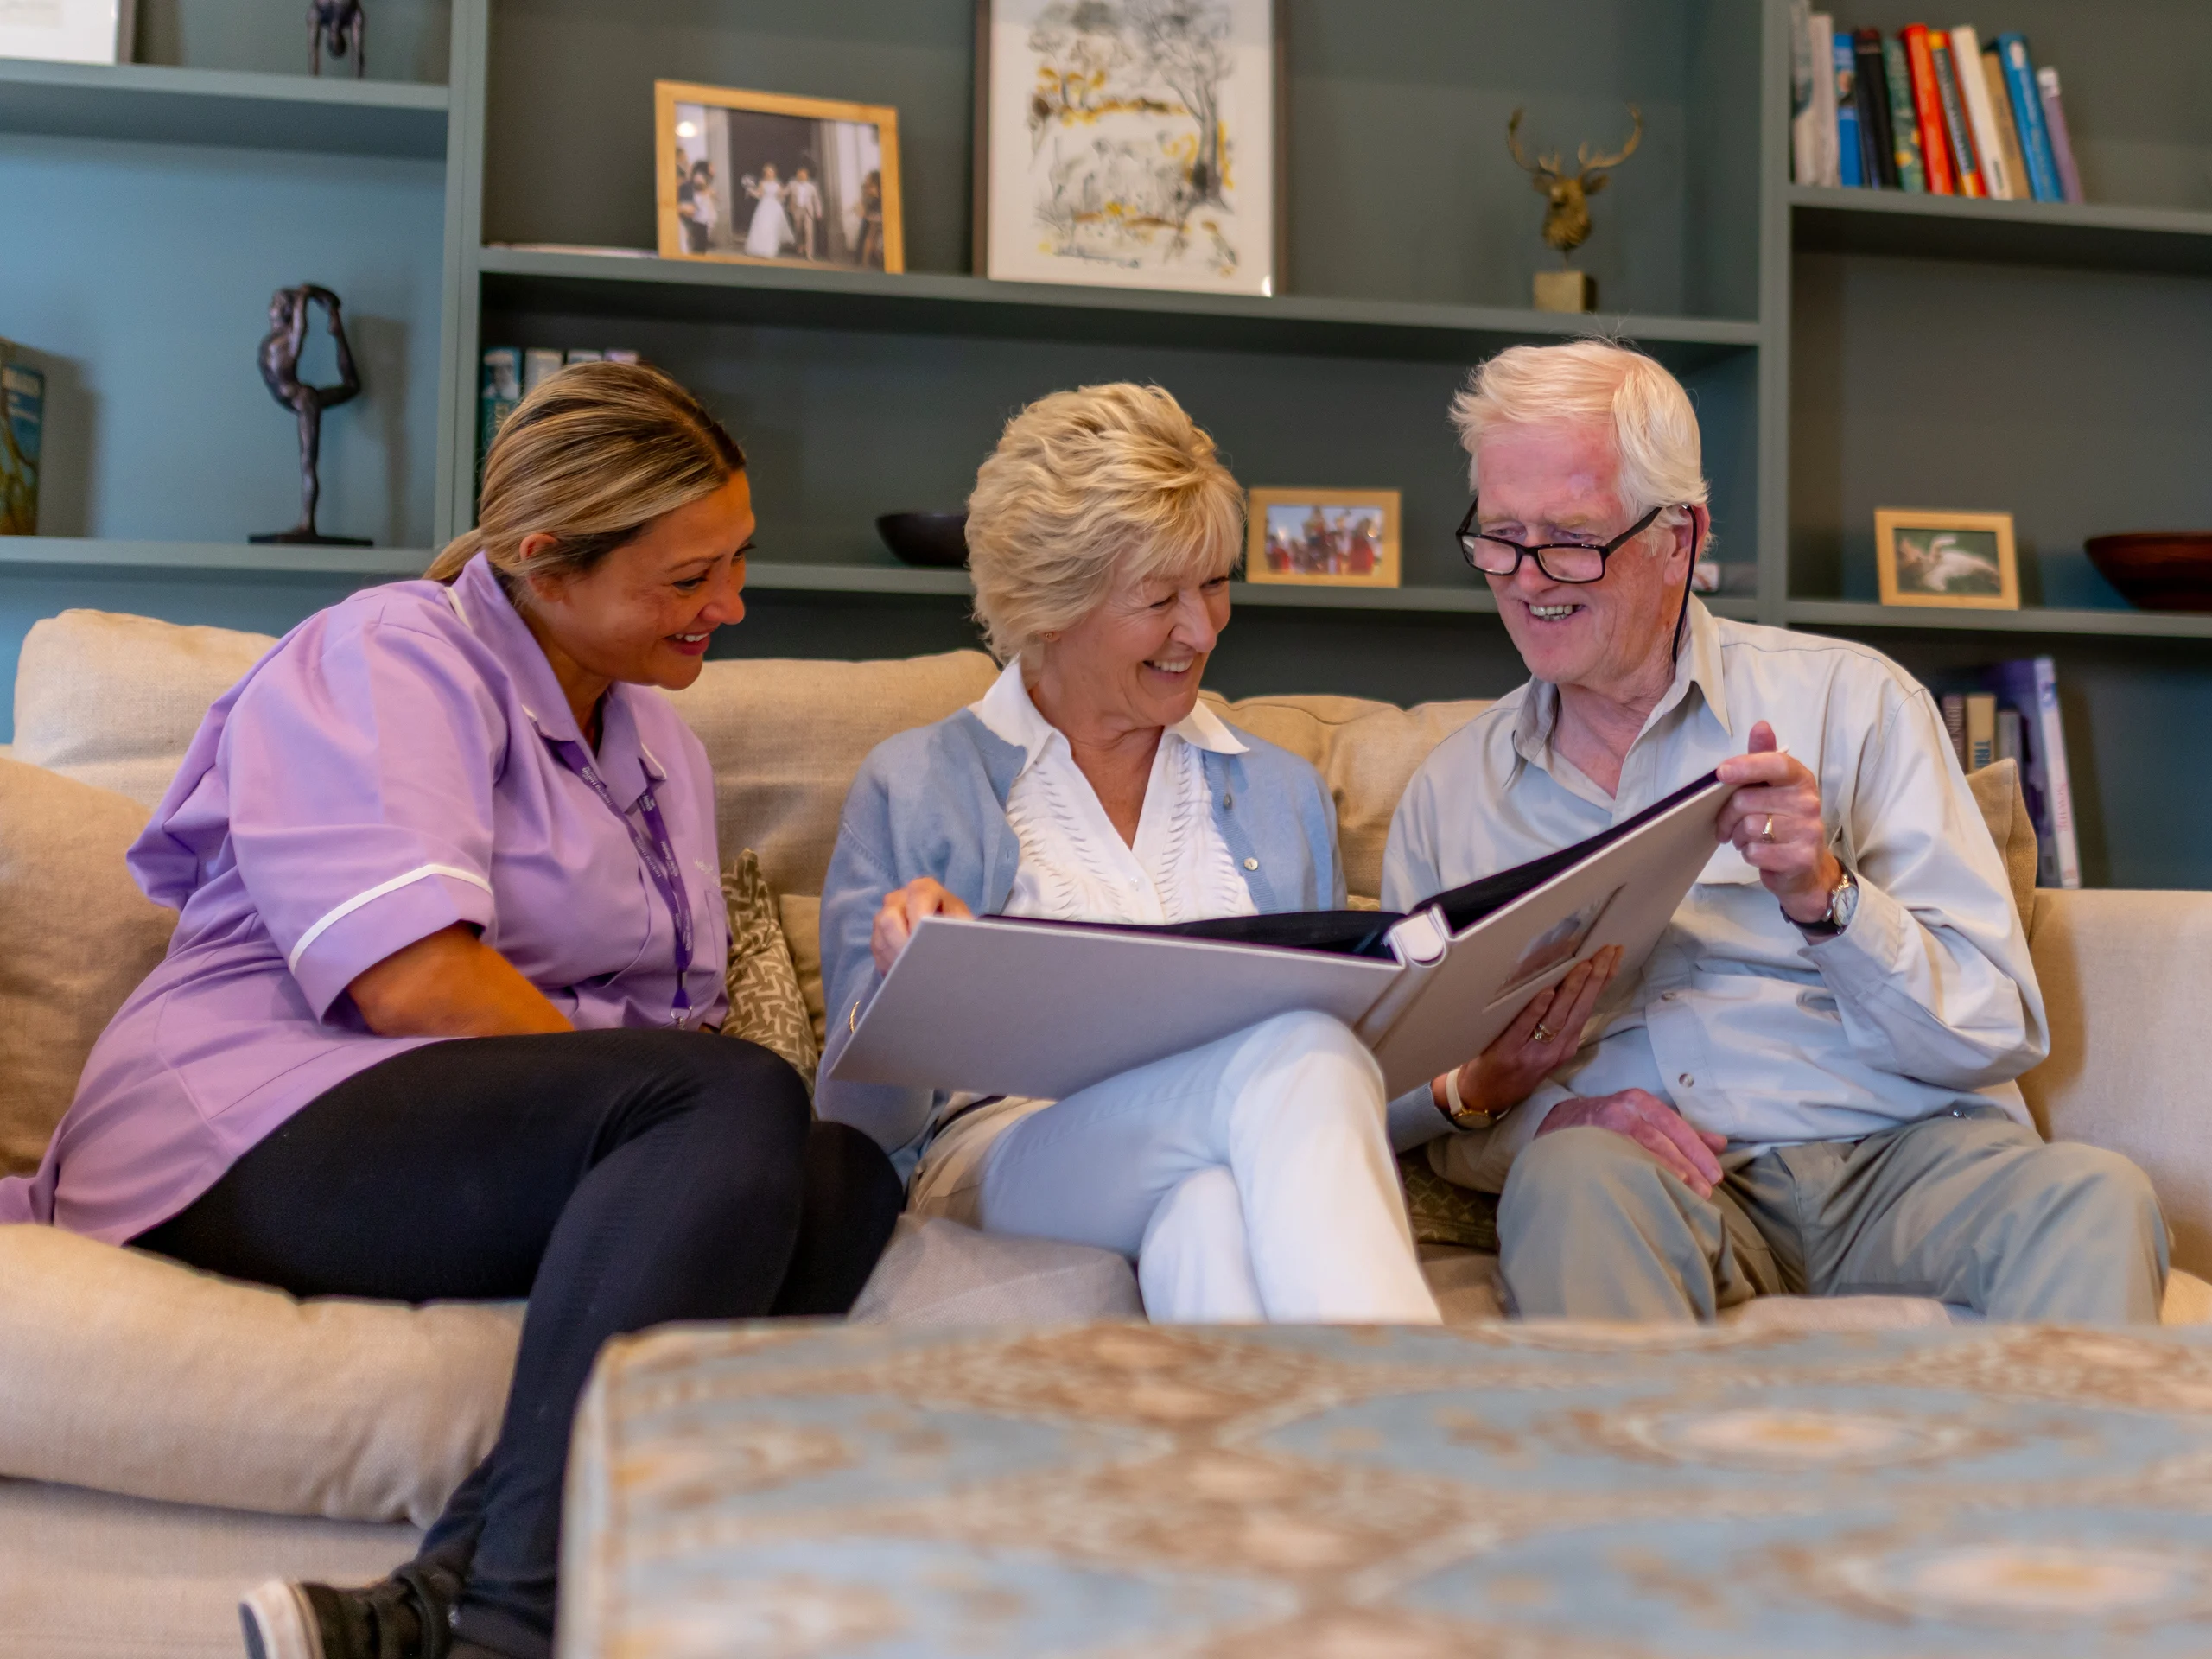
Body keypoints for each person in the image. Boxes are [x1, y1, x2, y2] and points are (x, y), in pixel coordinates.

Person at [0, 361, 904, 1659]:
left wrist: (686, 1122)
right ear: (545, 562)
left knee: (844, 1172)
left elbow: (676, 1033)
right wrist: (670, 1118)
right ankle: (517, 1627)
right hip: (250, 1122)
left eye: (736, 561)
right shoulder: (389, 652)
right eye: (688, 576)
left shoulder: (666, 748)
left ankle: (454, 1590)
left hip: (456, 1142)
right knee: (736, 1102)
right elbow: (411, 978)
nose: (732, 605)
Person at [1383, 340, 2167, 1324]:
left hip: (1903, 1158)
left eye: (1571, 537)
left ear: (1680, 535)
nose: (1527, 577)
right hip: (1649, 1177)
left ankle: (2048, 1486)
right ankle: (1638, 1481)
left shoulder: (1854, 700)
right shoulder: (1453, 794)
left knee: (2098, 1198)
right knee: (1571, 1178)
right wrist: (1518, 1105)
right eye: (1499, 536)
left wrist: (1825, 896)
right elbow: (1400, 1097)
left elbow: (1992, 1027)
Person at [815, 383, 1440, 1324]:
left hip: (1214, 1150)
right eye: (1158, 600)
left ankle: (1261, 1468)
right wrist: (907, 989)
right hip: (1001, 1161)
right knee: (1300, 1047)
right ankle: (1417, 1415)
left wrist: (1463, 1091)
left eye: (1216, 584)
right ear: (1049, 609)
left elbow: (1330, 1116)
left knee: (1210, 1217)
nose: (1201, 629)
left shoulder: (1278, 792)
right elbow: (857, 1135)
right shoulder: (917, 783)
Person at [742, 162, 790, 258]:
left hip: (775, 207)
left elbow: (781, 195)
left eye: (771, 172)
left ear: (774, 173)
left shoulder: (778, 183)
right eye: (767, 172)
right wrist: (751, 191)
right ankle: (757, 249)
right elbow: (759, 194)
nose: (769, 173)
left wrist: (785, 192)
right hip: (764, 206)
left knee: (772, 228)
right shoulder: (762, 183)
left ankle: (770, 250)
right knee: (762, 226)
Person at [676, 158, 717, 255]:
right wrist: (708, 191)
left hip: (701, 210)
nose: (713, 169)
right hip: (699, 213)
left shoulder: (704, 178)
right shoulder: (698, 177)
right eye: (711, 167)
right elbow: (699, 190)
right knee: (698, 240)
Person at [787, 162, 823, 260]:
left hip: (808, 210)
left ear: (807, 175)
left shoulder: (812, 186)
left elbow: (816, 199)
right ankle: (800, 246)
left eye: (804, 174)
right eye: (800, 173)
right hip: (797, 209)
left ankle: (809, 253)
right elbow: (785, 192)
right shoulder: (792, 184)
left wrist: (818, 211)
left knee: (808, 231)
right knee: (798, 230)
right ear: (797, 174)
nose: (802, 175)